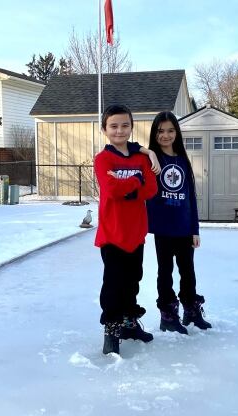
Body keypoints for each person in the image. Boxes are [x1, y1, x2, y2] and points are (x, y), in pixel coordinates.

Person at [94, 104, 158, 355]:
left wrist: (127, 184)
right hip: (112, 233)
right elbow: (111, 190)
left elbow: (150, 190)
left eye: (125, 125)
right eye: (114, 126)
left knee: (133, 281)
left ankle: (129, 323)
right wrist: (136, 181)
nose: (119, 130)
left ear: (131, 127)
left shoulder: (141, 158)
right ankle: (111, 329)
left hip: (136, 233)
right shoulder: (103, 159)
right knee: (113, 284)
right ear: (105, 130)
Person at [145, 111, 211, 334]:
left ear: (177, 133)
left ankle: (191, 311)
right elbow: (133, 147)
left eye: (170, 130)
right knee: (165, 272)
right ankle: (168, 315)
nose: (165, 135)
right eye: (160, 131)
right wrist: (148, 153)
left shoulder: (182, 160)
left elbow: (190, 195)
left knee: (188, 272)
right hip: (163, 228)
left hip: (184, 227)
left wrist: (194, 228)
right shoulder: (151, 159)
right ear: (154, 133)